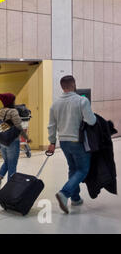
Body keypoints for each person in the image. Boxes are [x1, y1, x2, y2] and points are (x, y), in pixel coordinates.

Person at [47, 75, 96, 214]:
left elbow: (51, 125)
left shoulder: (55, 104)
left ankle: (75, 198)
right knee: (82, 170)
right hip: (77, 141)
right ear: (74, 84)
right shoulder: (82, 101)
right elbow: (91, 121)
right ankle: (65, 193)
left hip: (63, 142)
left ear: (62, 86)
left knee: (73, 168)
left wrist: (51, 141)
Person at [0, 93, 31, 193]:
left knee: (6, 162)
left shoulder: (0, 111)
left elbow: (0, 127)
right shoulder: (13, 111)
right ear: (12, 101)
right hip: (12, 141)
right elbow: (18, 127)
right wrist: (26, 138)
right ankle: (9, 190)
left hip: (2, 141)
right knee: (12, 165)